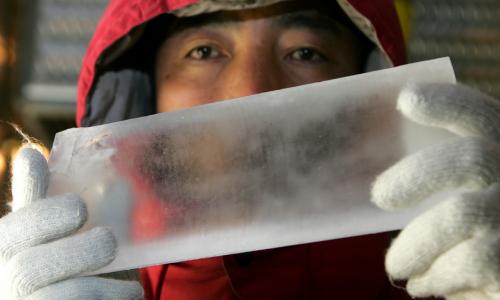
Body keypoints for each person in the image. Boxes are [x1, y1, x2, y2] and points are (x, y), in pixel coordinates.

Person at [1, 0, 500, 299]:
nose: (251, 90)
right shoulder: (72, 282)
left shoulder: (452, 273)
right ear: (145, 96)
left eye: (304, 52)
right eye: (203, 51)